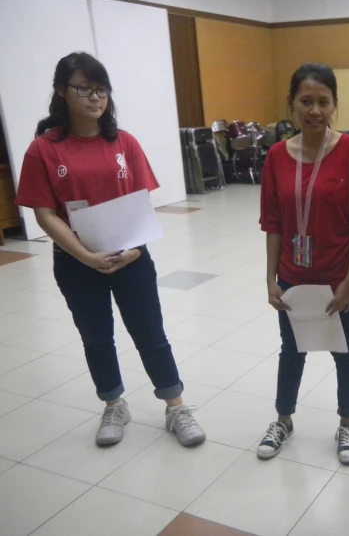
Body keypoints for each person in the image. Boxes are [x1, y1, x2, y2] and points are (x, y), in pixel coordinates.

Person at [14, 52, 206, 447]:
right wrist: (84, 256)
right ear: (61, 93)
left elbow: (140, 203)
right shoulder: (44, 150)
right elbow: (45, 215)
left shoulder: (124, 143)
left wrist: (136, 249)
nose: (94, 97)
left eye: (100, 89)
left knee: (150, 333)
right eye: (83, 88)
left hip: (132, 258)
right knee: (96, 337)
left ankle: (175, 406)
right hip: (75, 263)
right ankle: (114, 404)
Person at [258, 63, 349, 465]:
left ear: (335, 105)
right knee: (291, 349)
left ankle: (347, 423)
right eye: (306, 101)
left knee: (344, 350)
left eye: (323, 102)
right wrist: (270, 280)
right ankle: (283, 419)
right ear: (292, 104)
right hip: (294, 277)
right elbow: (274, 223)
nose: (315, 110)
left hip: (340, 276)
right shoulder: (277, 156)